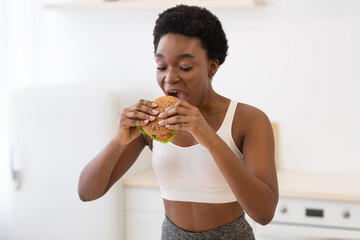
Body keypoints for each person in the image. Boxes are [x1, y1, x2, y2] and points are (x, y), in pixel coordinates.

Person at [78, 4, 278, 240]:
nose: (169, 77)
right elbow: (87, 192)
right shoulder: (151, 123)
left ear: (211, 67)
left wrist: (209, 138)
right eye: (161, 66)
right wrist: (118, 141)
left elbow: (264, 213)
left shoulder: (249, 120)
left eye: (185, 67)